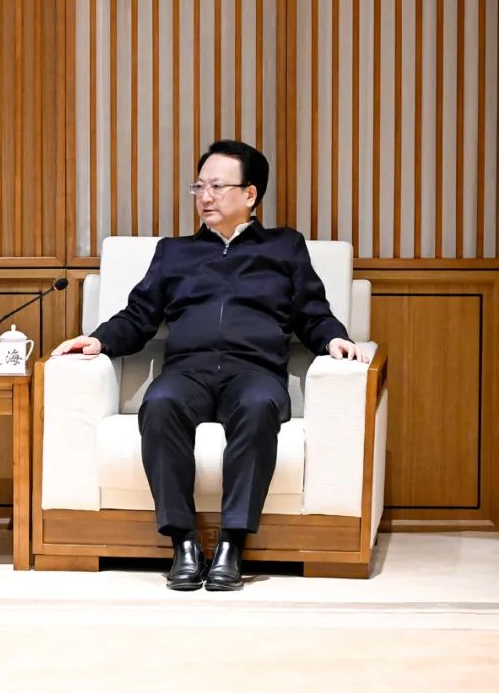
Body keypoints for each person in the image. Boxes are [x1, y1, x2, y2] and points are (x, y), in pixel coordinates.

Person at [51, 140, 369, 592]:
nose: (205, 197)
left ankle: (231, 544)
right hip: (188, 372)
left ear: (250, 194)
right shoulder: (174, 252)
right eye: (199, 187)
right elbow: (139, 316)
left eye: (218, 187)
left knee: (259, 407)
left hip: (254, 372)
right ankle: (183, 542)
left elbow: (312, 312)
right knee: (159, 403)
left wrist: (334, 337)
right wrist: (99, 339)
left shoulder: (284, 247)